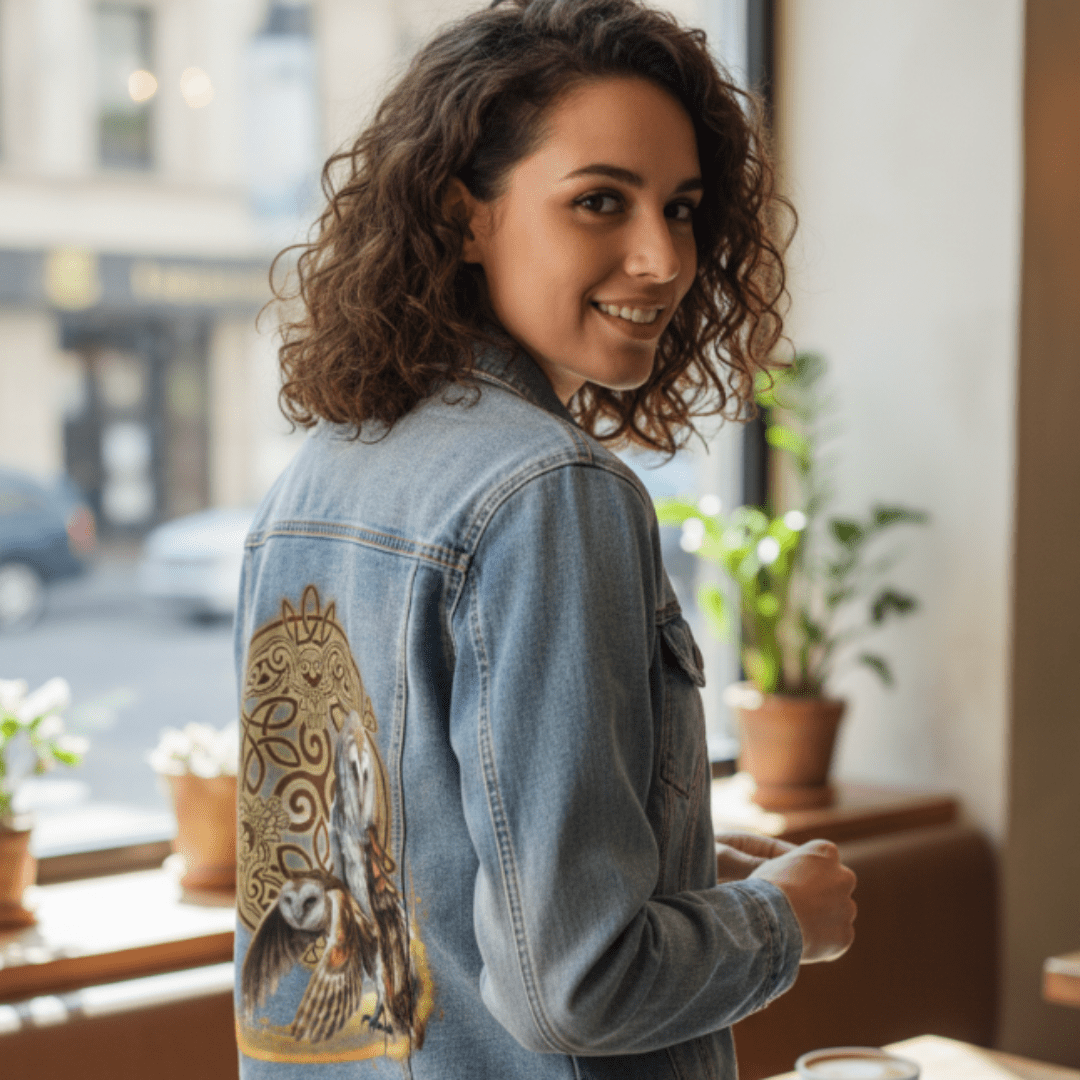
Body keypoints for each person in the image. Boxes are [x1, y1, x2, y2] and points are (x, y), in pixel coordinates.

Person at [233, 1, 857, 1076]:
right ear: (463, 215)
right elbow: (578, 985)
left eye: (682, 208)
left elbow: (366, 905)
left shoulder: (317, 475)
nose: (662, 258)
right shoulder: (548, 490)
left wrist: (665, 866)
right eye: (599, 201)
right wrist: (785, 921)